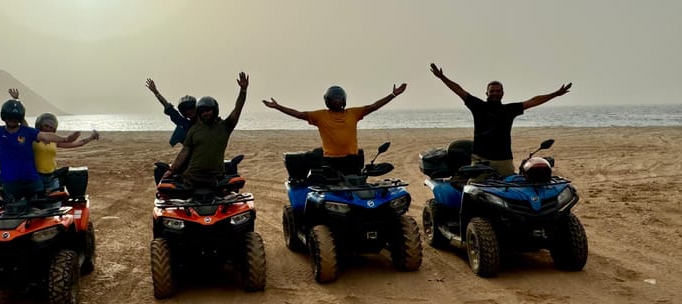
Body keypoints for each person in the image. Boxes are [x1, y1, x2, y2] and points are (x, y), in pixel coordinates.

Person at [429, 63, 572, 177]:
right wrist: (443, 78)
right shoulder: (478, 106)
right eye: (492, 91)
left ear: (503, 93)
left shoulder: (510, 110)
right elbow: (459, 90)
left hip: (504, 161)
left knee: (510, 190)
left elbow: (534, 100)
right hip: (480, 160)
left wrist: (556, 94)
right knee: (472, 190)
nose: (495, 93)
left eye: (498, 91)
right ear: (487, 93)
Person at [0, 81, 79, 202]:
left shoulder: (28, 132)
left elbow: (46, 136)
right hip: (10, 184)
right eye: (9, 117)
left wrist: (65, 139)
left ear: (20, 118)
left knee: (43, 213)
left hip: (33, 183)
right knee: (9, 214)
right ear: (4, 117)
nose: (12, 120)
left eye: (15, 118)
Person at [262, 83, 407, 175]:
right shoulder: (320, 116)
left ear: (344, 100)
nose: (337, 101)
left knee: (356, 189)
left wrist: (393, 95)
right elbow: (299, 114)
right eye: (334, 98)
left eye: (339, 98)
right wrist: (278, 107)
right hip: (331, 162)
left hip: (352, 160)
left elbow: (373, 106)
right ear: (328, 100)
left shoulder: (353, 113)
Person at [162, 72, 249, 186]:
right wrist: (171, 170)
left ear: (214, 110)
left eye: (208, 110)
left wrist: (243, 91)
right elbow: (184, 152)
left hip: (216, 177)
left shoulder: (225, 126)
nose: (205, 113)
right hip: (192, 177)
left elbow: (237, 109)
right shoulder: (194, 130)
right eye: (202, 111)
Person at [31, 112, 100, 192]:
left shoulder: (54, 141)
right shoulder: (32, 139)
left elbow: (77, 143)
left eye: (51, 127)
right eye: (46, 126)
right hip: (36, 177)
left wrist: (91, 137)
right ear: (39, 125)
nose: (49, 129)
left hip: (52, 176)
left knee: (55, 202)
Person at [145, 78, 196, 147]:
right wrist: (156, 92)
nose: (189, 111)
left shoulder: (207, 121)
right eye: (186, 110)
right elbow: (169, 108)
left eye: (191, 108)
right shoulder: (184, 123)